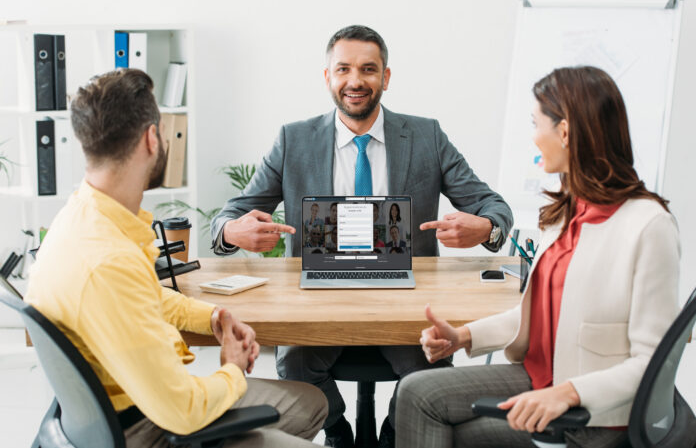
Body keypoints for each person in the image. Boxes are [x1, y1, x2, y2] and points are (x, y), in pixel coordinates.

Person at [210, 25, 513, 448]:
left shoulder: (426, 136)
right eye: (344, 69)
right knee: (296, 361)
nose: (356, 81)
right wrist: (232, 230)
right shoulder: (292, 140)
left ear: (386, 77)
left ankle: (393, 433)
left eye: (369, 69)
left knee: (431, 370)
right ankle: (337, 430)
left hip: (407, 298)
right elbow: (228, 215)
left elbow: (494, 207)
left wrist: (486, 228)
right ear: (328, 77)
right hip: (317, 296)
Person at [25, 69, 328, 448]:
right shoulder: (108, 262)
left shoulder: (79, 220)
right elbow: (183, 411)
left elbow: (140, 294)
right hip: (150, 429)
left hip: (117, 412)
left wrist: (213, 315)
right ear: (152, 138)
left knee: (312, 402)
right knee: (303, 411)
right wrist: (232, 368)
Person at [395, 66, 681, 448]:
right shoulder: (566, 212)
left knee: (449, 425)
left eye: (536, 124)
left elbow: (654, 365)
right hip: (541, 377)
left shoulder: (649, 226)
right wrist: (462, 337)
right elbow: (538, 315)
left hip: (594, 415)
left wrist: (567, 393)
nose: (532, 139)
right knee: (416, 392)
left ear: (564, 132)